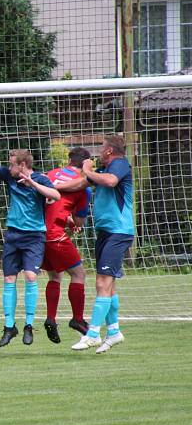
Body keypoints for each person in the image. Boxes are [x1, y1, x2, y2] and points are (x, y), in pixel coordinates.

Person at [0, 143, 60, 347]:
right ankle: (9, 327)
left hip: (34, 236)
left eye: (12, 164)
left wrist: (32, 184)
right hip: (13, 235)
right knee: (8, 279)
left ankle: (29, 326)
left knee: (31, 276)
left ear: (22, 165)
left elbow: (56, 195)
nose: (9, 167)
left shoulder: (40, 179)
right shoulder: (9, 176)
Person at [71, 135, 134, 354]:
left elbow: (111, 181)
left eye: (101, 147)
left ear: (109, 150)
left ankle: (93, 334)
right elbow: (79, 184)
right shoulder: (102, 171)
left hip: (118, 231)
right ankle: (114, 331)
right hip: (106, 233)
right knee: (109, 286)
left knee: (102, 282)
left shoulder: (119, 164)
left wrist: (87, 169)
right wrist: (48, 185)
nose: (98, 151)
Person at [42, 147, 93, 343]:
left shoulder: (52, 173)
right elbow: (79, 223)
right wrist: (73, 222)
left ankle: (51, 319)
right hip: (55, 234)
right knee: (79, 274)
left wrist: (66, 219)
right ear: (86, 163)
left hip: (39, 232)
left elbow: (52, 204)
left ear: (70, 160)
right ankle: (78, 319)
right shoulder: (84, 188)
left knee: (55, 275)